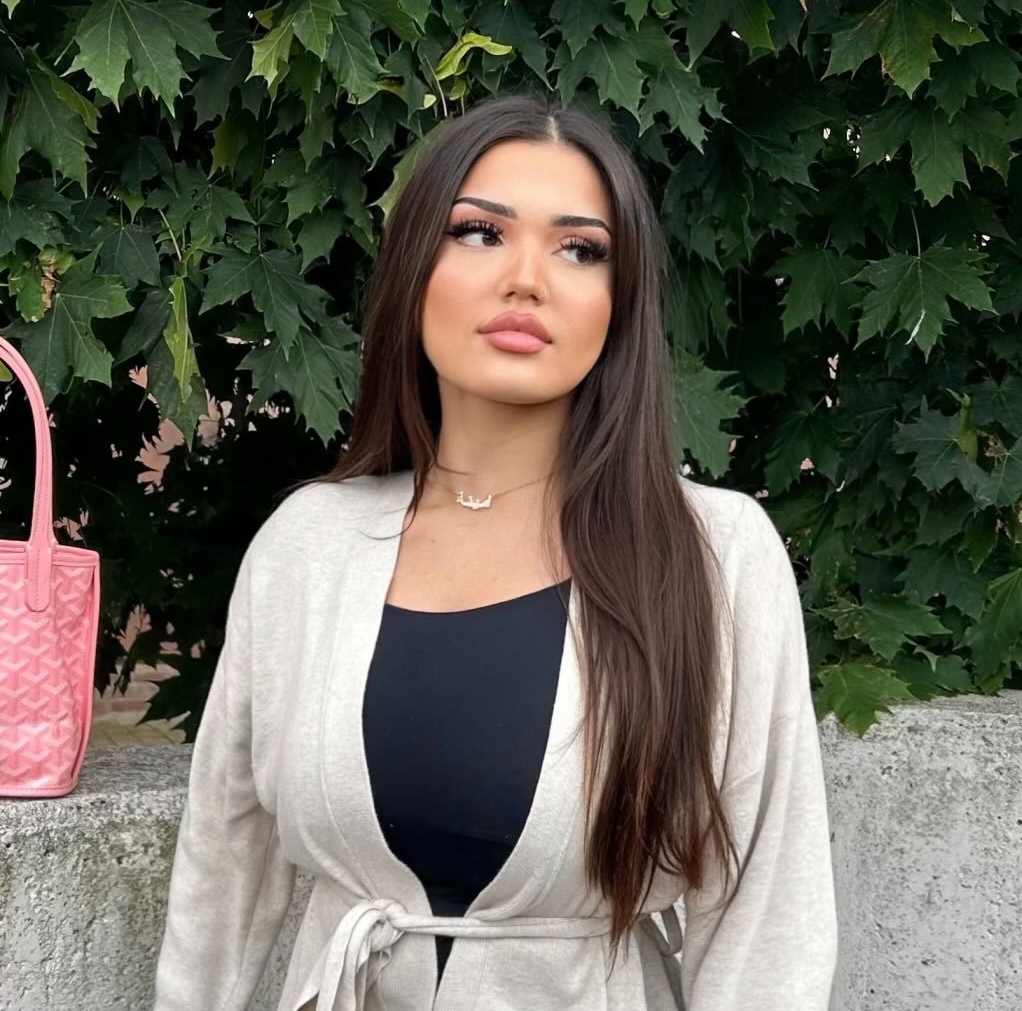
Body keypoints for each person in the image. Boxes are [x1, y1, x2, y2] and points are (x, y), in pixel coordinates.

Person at [152, 90, 837, 1011]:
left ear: (619, 303)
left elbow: (768, 913)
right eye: (480, 232)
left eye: (580, 249)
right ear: (414, 267)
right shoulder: (307, 548)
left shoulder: (713, 555)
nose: (526, 279)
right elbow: (222, 864)